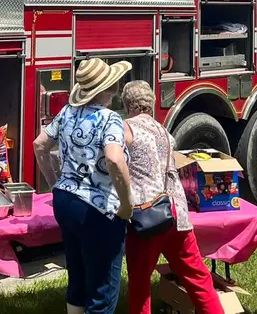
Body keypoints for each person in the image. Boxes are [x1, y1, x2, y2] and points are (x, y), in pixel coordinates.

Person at [33, 57, 133, 314]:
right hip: (97, 211)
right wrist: (126, 204)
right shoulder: (110, 119)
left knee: (77, 274)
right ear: (108, 90)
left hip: (65, 202)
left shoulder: (67, 111)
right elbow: (113, 158)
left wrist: (55, 182)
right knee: (102, 288)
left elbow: (39, 145)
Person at [120, 80, 224, 314]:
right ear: (152, 103)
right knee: (197, 275)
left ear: (128, 105)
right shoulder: (164, 132)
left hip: (149, 214)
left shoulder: (126, 129)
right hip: (176, 210)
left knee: (140, 280)